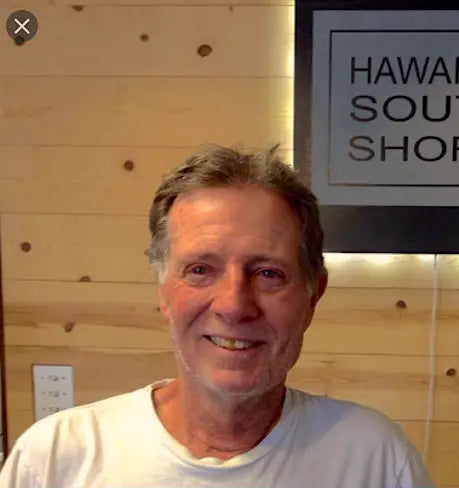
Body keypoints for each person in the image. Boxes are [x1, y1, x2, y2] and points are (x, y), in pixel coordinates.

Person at [0, 145, 435, 488]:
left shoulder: (375, 460)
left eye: (268, 273)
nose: (233, 305)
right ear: (163, 291)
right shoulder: (55, 460)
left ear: (312, 296)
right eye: (200, 270)